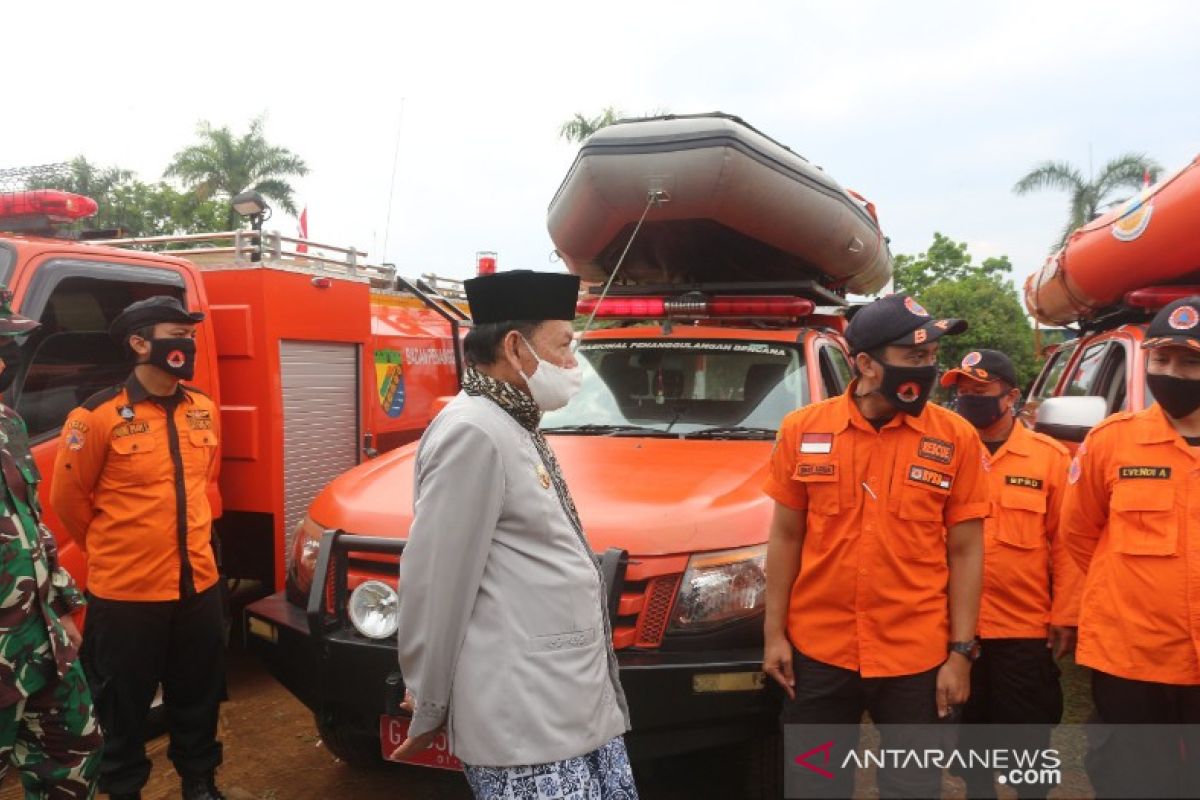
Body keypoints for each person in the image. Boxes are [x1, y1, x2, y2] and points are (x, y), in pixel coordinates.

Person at [393, 270, 636, 800]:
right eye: (564, 346)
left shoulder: (513, 421)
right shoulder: (473, 431)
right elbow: (437, 582)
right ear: (515, 347)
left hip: (565, 700)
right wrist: (428, 701)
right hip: (527, 720)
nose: (574, 365)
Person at [762, 292, 987, 798]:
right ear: (865, 364)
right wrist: (774, 633)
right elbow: (786, 535)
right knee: (815, 784)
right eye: (914, 357)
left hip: (918, 658)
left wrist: (961, 653)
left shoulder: (957, 439)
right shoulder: (803, 430)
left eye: (932, 357)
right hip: (818, 653)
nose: (927, 369)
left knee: (914, 786)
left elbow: (967, 551)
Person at [50, 296, 225, 800]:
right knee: (120, 704)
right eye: (177, 334)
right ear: (139, 342)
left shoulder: (203, 409)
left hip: (198, 585)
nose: (186, 345)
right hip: (126, 594)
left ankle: (200, 783)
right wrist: (120, 548)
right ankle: (123, 789)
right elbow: (69, 502)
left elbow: (202, 482)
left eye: (191, 336)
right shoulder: (95, 417)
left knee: (199, 695)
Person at [1062, 296, 1200, 798]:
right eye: (1161, 360)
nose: (1172, 373)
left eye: (1190, 362)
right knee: (1134, 780)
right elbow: (1080, 535)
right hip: (1131, 656)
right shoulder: (1111, 442)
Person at [940, 349, 1080, 799]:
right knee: (968, 745)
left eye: (979, 392)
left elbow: (1068, 543)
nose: (968, 401)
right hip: (954, 631)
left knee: (1028, 745)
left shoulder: (1049, 458)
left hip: (1023, 630)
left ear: (1012, 396)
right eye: (962, 393)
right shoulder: (940, 455)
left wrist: (1066, 614)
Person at [0, 289, 102, 797]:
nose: (8, 356)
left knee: (75, 756)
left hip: (42, 646)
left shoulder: (8, 424)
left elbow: (31, 524)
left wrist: (62, 608)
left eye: (11, 341)